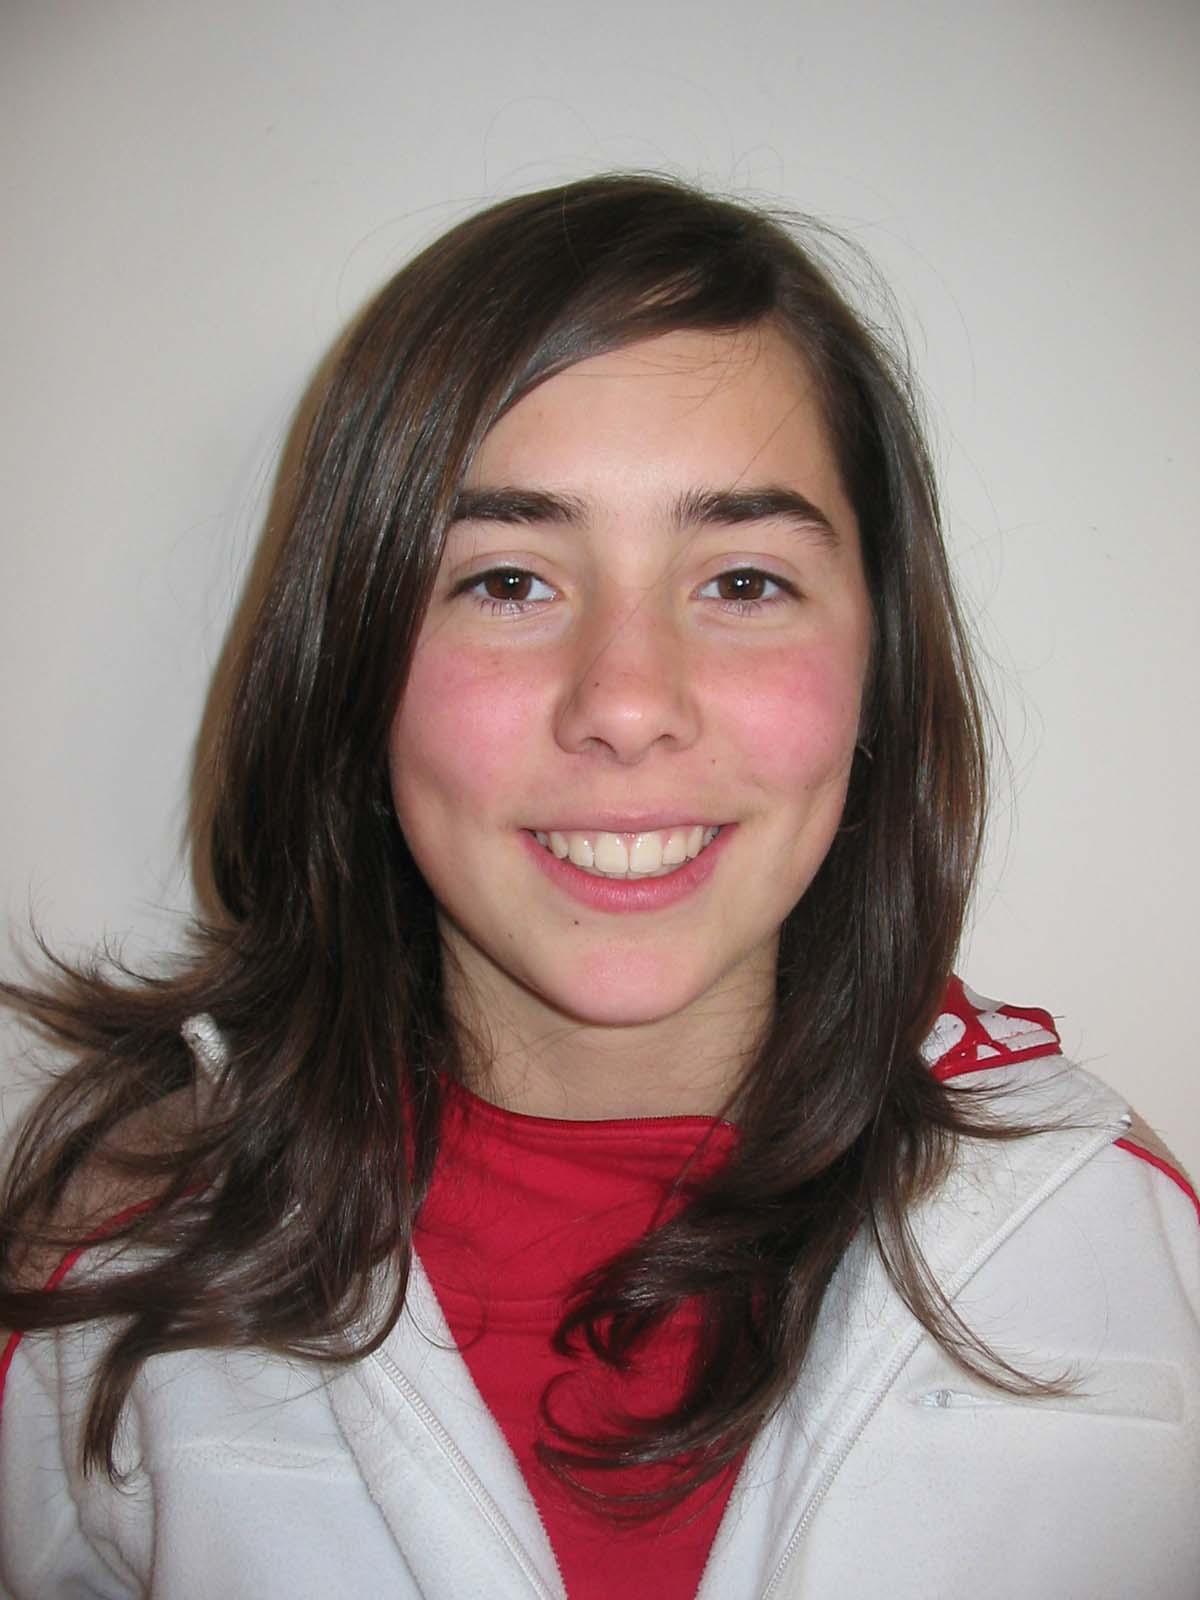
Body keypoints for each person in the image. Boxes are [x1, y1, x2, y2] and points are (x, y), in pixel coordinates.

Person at [0, 174, 1196, 1600]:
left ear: (878, 660)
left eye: (743, 582)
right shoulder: (111, 1271)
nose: (627, 704)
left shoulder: (1114, 1244)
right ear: (353, 665)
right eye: (508, 581)